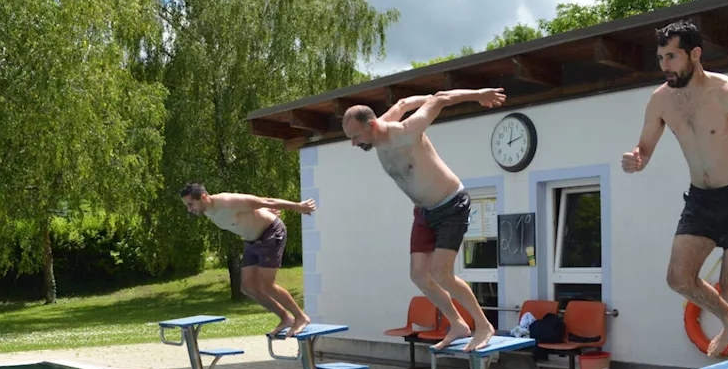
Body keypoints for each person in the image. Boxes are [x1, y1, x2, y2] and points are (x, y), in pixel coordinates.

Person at [621, 19, 728, 369]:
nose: (665, 67)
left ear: (695, 54)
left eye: (672, 57)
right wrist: (637, 159)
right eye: (661, 58)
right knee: (678, 278)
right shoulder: (660, 100)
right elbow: (644, 147)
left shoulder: (727, 91)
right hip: (700, 201)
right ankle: (727, 319)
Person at [341, 87, 506, 351]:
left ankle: (483, 325)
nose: (353, 143)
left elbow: (440, 98)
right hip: (424, 213)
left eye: (355, 136)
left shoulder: (407, 131)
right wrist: (425, 99)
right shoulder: (378, 129)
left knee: (442, 273)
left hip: (451, 204)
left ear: (370, 125)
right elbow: (405, 100)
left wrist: (479, 94)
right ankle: (458, 324)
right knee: (419, 276)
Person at [180, 182, 314, 337]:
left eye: (190, 204)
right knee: (248, 287)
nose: (189, 209)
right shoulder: (208, 209)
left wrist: (298, 206)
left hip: (270, 232)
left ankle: (301, 317)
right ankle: (285, 318)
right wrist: (263, 210)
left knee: (267, 285)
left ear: (203, 197)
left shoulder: (227, 201)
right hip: (252, 240)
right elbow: (248, 211)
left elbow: (266, 201)